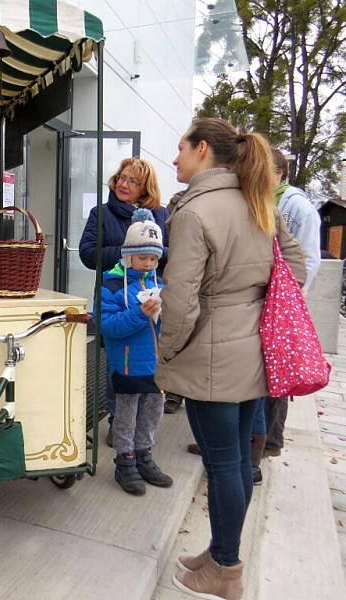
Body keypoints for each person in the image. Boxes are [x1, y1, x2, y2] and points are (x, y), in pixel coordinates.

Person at [157, 118, 305, 600]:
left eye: (180, 148)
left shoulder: (195, 211)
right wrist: (254, 307)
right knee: (238, 459)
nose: (175, 157)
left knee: (223, 464)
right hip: (253, 349)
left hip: (212, 353)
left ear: (203, 149)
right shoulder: (257, 198)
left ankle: (225, 568)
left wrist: (168, 353)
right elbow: (297, 268)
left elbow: (179, 300)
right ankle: (222, 553)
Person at [78, 158, 170, 447]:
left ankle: (141, 434)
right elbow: (88, 253)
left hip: (150, 298)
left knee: (149, 363)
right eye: (121, 177)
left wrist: (149, 253)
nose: (123, 184)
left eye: (132, 180)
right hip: (115, 294)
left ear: (146, 188)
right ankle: (118, 423)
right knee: (117, 363)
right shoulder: (101, 214)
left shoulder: (160, 215)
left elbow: (170, 252)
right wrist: (128, 252)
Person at [100, 208, 172, 496]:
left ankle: (144, 455)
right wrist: (141, 314)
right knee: (126, 415)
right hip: (127, 364)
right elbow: (108, 326)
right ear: (128, 255)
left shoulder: (159, 284)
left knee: (152, 412)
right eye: (142, 257)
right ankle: (124, 461)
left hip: (156, 363)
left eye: (153, 258)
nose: (148, 263)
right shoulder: (112, 284)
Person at [263, 148, 323, 460]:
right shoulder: (261, 200)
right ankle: (256, 441)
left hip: (283, 304)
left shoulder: (297, 206)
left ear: (280, 173)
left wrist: (291, 298)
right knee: (263, 372)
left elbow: (310, 258)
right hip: (268, 300)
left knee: (278, 370)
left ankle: (270, 441)